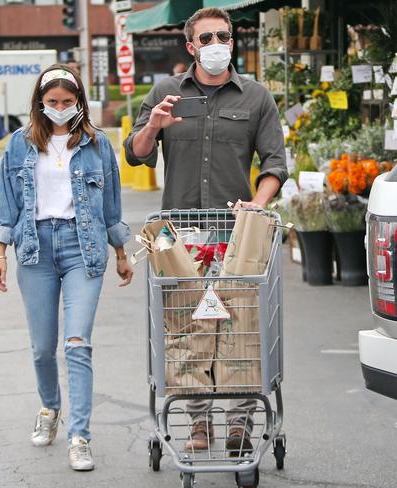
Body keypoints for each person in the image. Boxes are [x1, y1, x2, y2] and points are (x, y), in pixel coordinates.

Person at [124, 7, 288, 454]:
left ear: (231, 41)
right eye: (207, 37)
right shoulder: (166, 92)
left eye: (224, 35)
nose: (217, 43)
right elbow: (135, 154)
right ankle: (198, 423)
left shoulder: (255, 97)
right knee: (187, 331)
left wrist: (256, 206)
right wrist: (154, 125)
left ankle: (239, 422)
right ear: (191, 46)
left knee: (239, 330)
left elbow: (275, 163)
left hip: (238, 235)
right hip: (179, 237)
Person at [0, 64, 133, 471]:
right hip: (34, 249)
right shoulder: (19, 145)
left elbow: (111, 206)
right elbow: (7, 204)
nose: (59, 108)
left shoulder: (97, 144)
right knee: (41, 348)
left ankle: (80, 435)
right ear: (40, 102)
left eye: (67, 102)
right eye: (52, 102)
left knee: (77, 343)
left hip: (82, 249)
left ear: (79, 103)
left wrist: (121, 252)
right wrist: (0, 253)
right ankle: (50, 408)